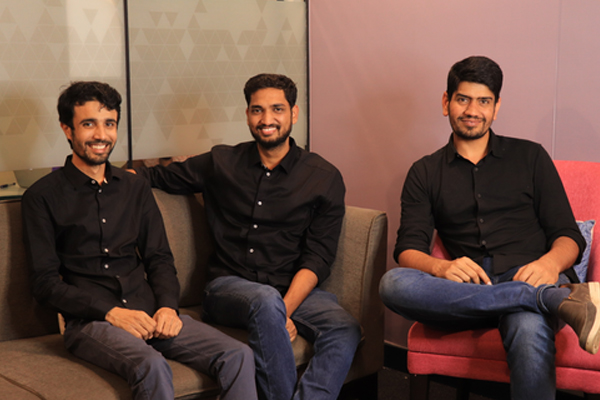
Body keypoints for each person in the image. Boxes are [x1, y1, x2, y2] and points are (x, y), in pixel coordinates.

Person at [379, 56, 600, 400]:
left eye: (484, 101)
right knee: (392, 283)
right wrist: (442, 267)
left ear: (496, 108)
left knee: (527, 328)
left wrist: (549, 265)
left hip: (529, 273)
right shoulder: (424, 172)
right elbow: (407, 249)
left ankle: (531, 297)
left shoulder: (530, 157)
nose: (472, 110)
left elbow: (568, 235)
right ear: (446, 102)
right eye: (463, 99)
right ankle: (552, 300)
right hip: (466, 290)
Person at [21, 81, 257, 400]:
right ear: (67, 129)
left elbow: (159, 258)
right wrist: (111, 312)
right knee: (151, 365)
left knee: (238, 355)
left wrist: (168, 308)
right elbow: (45, 284)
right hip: (92, 321)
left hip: (150, 313)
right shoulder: (42, 196)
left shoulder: (135, 187)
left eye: (110, 124)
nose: (101, 135)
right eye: (89, 124)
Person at [132, 73, 362, 400]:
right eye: (257, 110)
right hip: (228, 288)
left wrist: (284, 309)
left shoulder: (323, 177)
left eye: (277, 109)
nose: (267, 119)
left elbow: (319, 256)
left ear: (294, 113)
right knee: (264, 301)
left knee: (344, 329)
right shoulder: (221, 162)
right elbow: (153, 176)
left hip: (291, 290)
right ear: (247, 115)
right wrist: (100, 177)